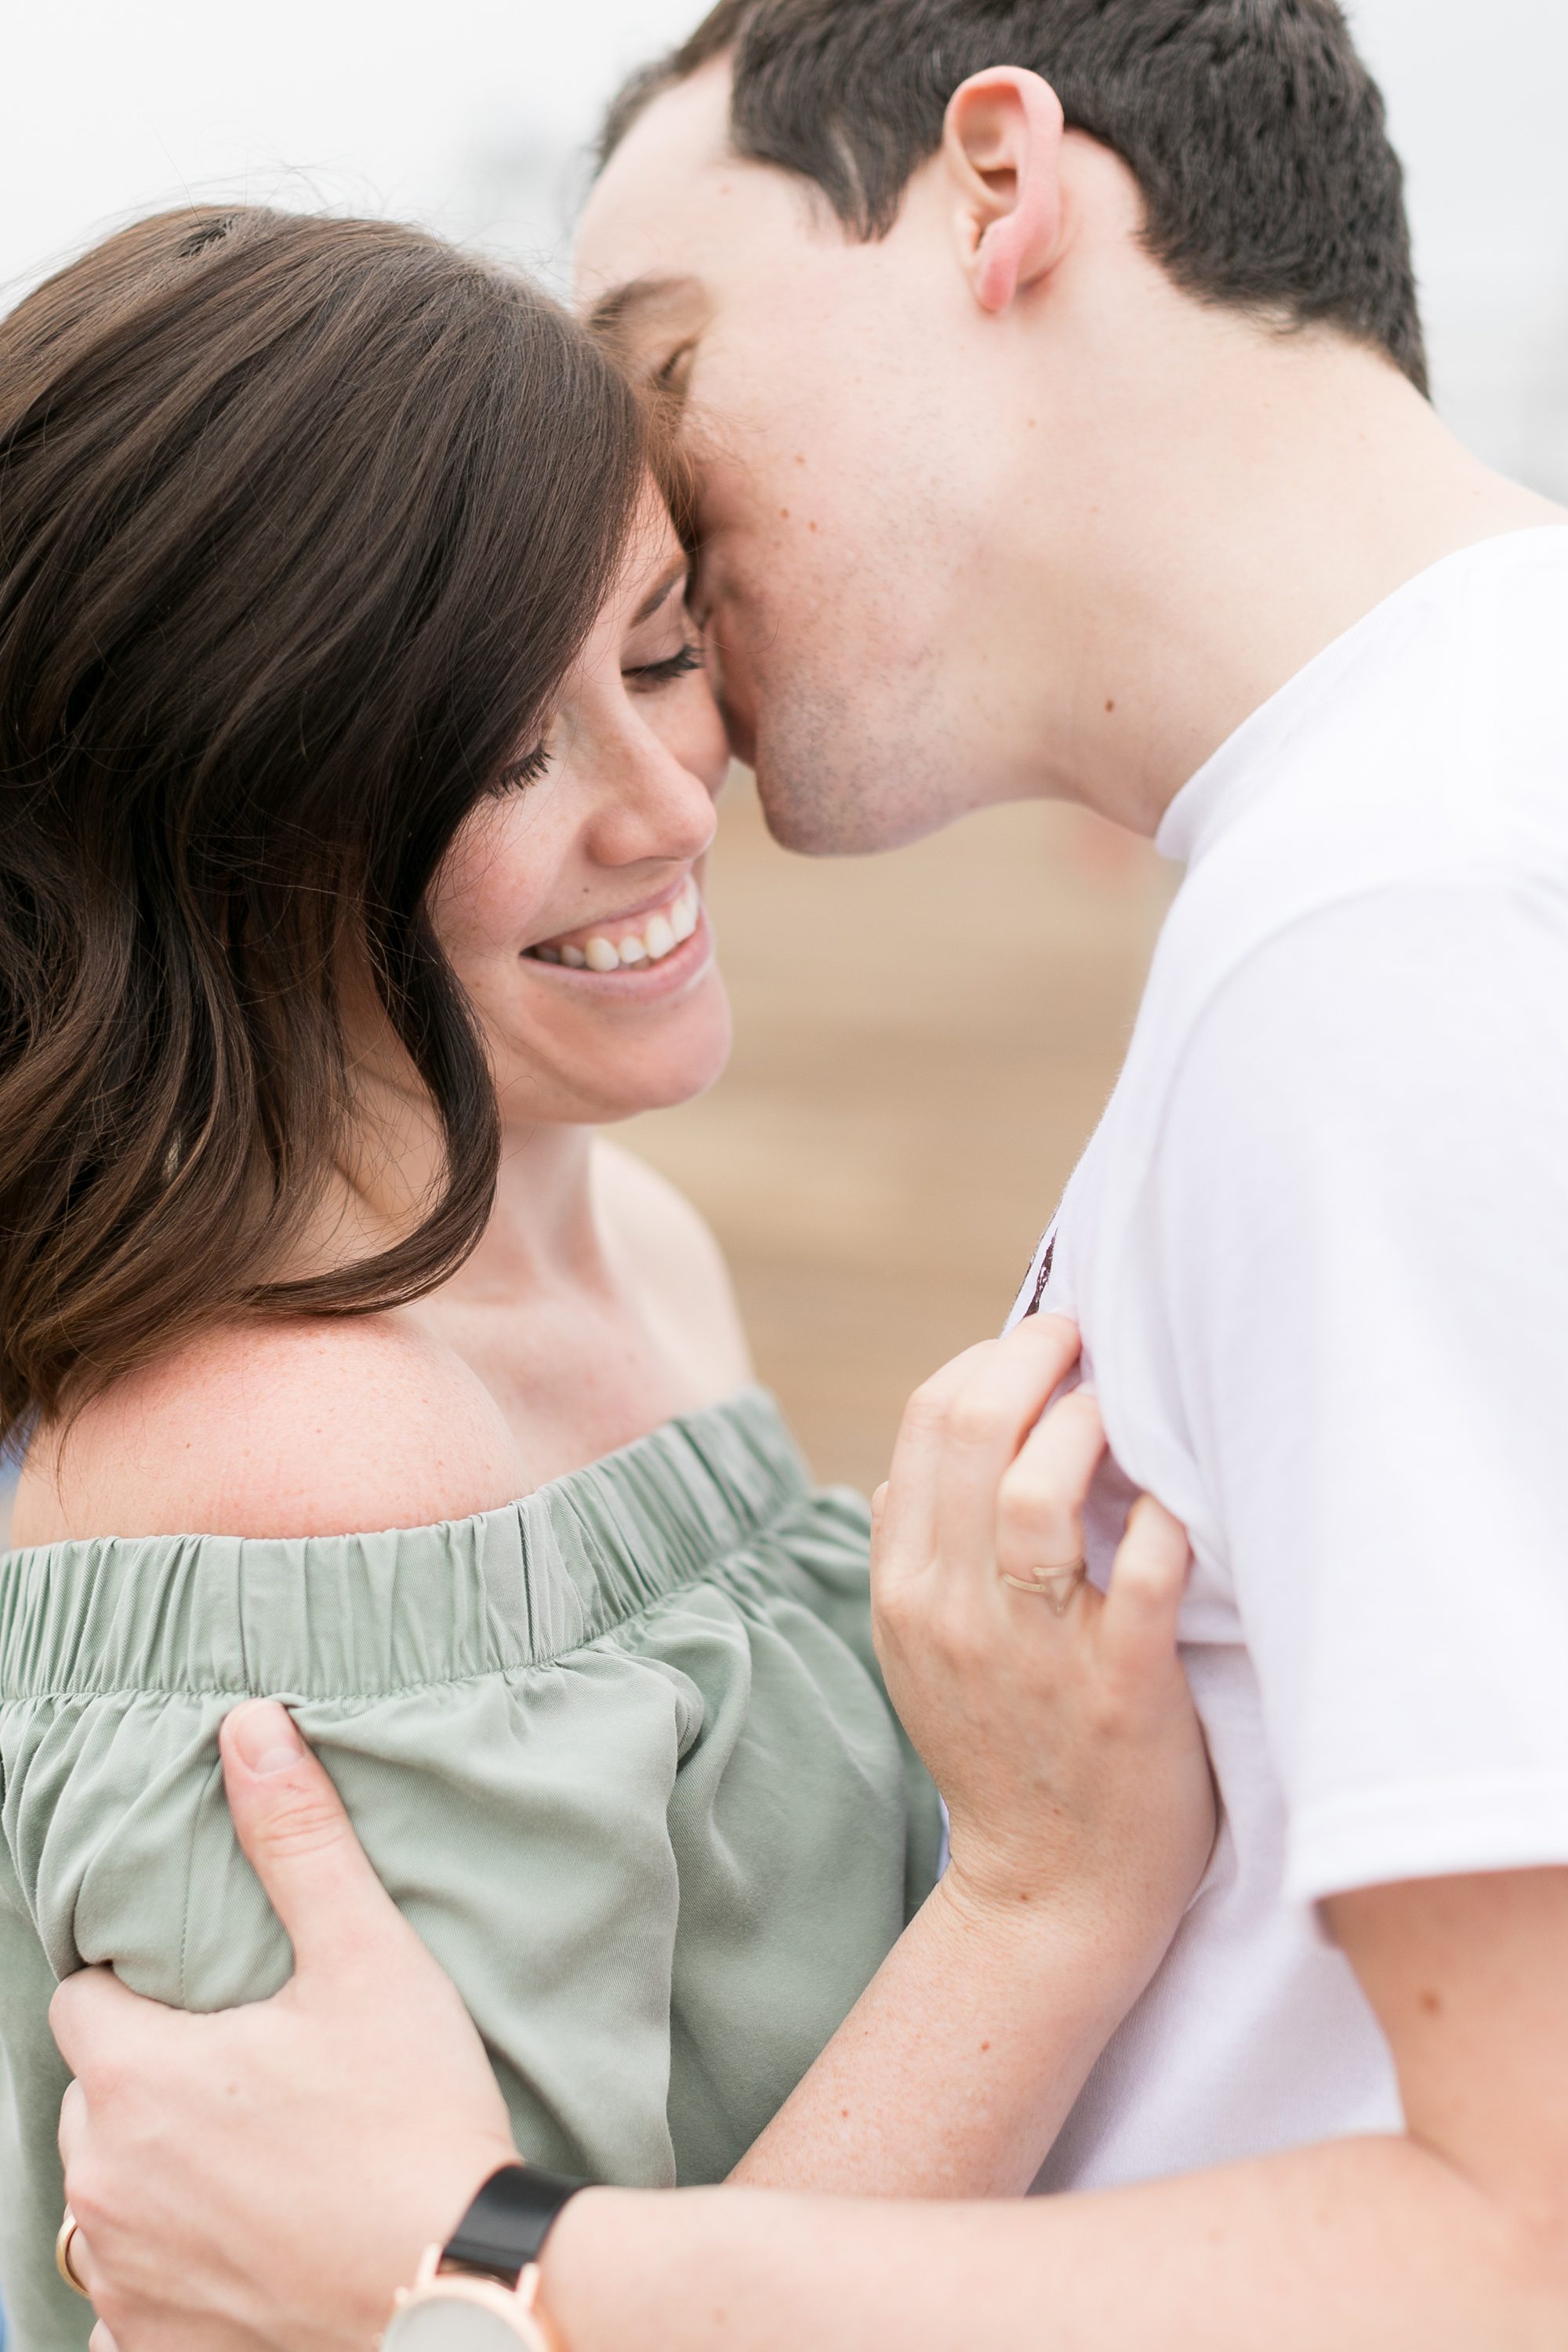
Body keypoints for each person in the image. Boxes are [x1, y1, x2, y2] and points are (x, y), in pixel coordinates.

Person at [41, 0, 1568, 2342]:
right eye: (494, 734)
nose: (688, 752)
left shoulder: (1386, 932)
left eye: (670, 349)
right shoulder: (1433, 828)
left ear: (996, 187)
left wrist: (489, 2277)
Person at [0, 202, 1216, 2350]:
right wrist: (1043, 1907)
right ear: (224, 806)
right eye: (496, 749)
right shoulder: (304, 1457)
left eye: (660, 655)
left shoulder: (620, 1231)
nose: (665, 806)